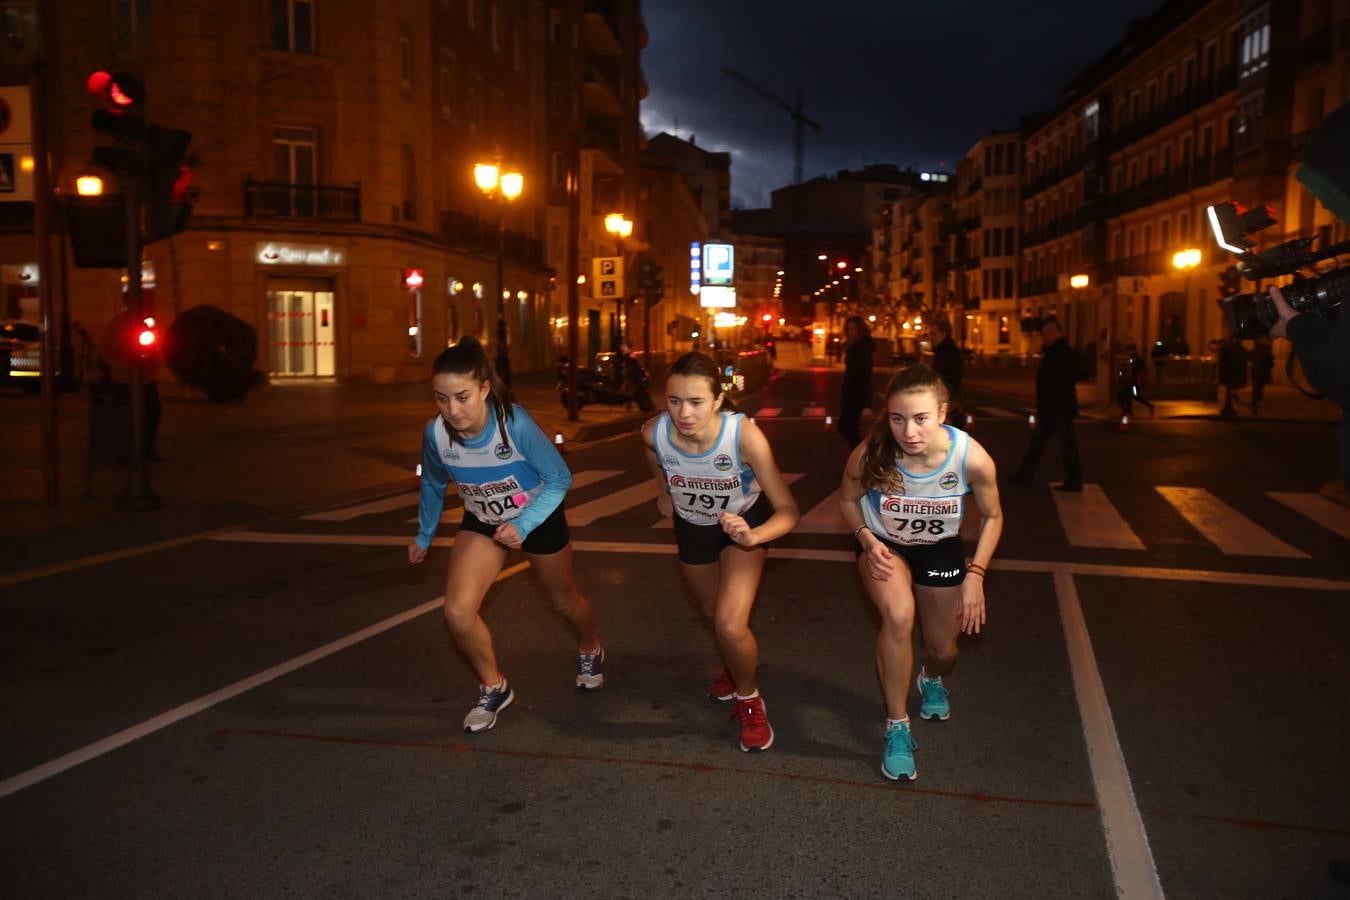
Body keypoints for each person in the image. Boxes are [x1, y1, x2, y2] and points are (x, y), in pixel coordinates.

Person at [409, 336, 604, 734]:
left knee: (564, 601)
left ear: (483, 388)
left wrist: (524, 525)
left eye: (462, 396)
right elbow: (431, 482)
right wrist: (425, 534)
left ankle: (590, 649)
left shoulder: (512, 422)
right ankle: (494, 686)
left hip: (538, 515)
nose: (453, 410)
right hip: (483, 518)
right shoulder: (436, 434)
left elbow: (559, 478)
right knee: (458, 612)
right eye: (441, 399)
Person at [837, 364, 1003, 781]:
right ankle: (897, 726)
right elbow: (846, 499)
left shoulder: (972, 458)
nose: (909, 431)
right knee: (897, 615)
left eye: (921, 418)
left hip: (941, 550)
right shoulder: (871, 452)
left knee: (943, 649)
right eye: (898, 418)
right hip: (884, 546)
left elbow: (993, 516)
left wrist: (977, 574)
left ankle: (930, 678)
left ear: (942, 413)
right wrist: (866, 538)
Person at [641, 352, 800, 752]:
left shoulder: (742, 436)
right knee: (715, 617)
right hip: (692, 526)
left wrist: (754, 535)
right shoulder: (654, 432)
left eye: (696, 402)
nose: (684, 412)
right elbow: (650, 450)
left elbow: (789, 511)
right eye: (675, 401)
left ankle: (750, 700)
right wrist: (663, 492)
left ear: (716, 402)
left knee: (730, 624)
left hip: (744, 526)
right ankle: (733, 667)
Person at [1009, 319, 1083, 490]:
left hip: (1059, 407)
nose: (1046, 337)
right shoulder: (1055, 351)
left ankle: (1073, 481)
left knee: (1066, 446)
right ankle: (1025, 475)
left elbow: (1062, 378)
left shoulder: (1061, 352)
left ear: (1059, 333)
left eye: (1049, 333)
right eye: (1045, 333)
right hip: (1053, 407)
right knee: (1038, 443)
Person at [99, 306, 162, 461]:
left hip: (144, 378)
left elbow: (152, 347)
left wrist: (151, 361)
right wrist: (124, 364)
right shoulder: (118, 323)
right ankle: (127, 450)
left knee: (153, 411)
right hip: (124, 379)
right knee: (126, 416)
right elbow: (108, 351)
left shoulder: (143, 322)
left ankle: (146, 448)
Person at [839, 315, 875, 447]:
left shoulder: (862, 346)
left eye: (853, 328)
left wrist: (866, 401)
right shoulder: (852, 345)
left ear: (860, 329)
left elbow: (865, 373)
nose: (850, 331)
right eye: (848, 328)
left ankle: (860, 454)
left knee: (847, 428)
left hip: (856, 393)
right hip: (850, 391)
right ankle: (858, 454)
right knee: (848, 428)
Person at [931, 319, 966, 430]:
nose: (931, 337)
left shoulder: (946, 351)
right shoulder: (946, 349)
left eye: (934, 333)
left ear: (944, 333)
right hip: (948, 399)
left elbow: (942, 377)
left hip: (947, 399)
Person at [1116, 343, 1154, 423]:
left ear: (1133, 350)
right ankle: (1128, 411)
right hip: (1130, 381)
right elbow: (1128, 368)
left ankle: (1148, 406)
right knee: (1126, 395)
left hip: (1134, 382)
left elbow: (1139, 369)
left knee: (1133, 396)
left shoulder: (1136, 359)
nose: (1128, 352)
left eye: (1129, 350)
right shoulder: (1132, 358)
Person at [1218, 336, 1248, 417]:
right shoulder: (1230, 349)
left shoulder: (1235, 349)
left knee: (1234, 384)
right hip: (1232, 371)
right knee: (1233, 384)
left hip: (1233, 370)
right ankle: (1232, 396)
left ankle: (1233, 395)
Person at [1249, 335, 1274, 416]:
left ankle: (1255, 403)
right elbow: (1271, 362)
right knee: (1260, 386)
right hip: (1263, 372)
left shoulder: (1255, 350)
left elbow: (1250, 359)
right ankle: (1258, 400)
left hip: (1256, 372)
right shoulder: (1267, 351)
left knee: (1256, 387)